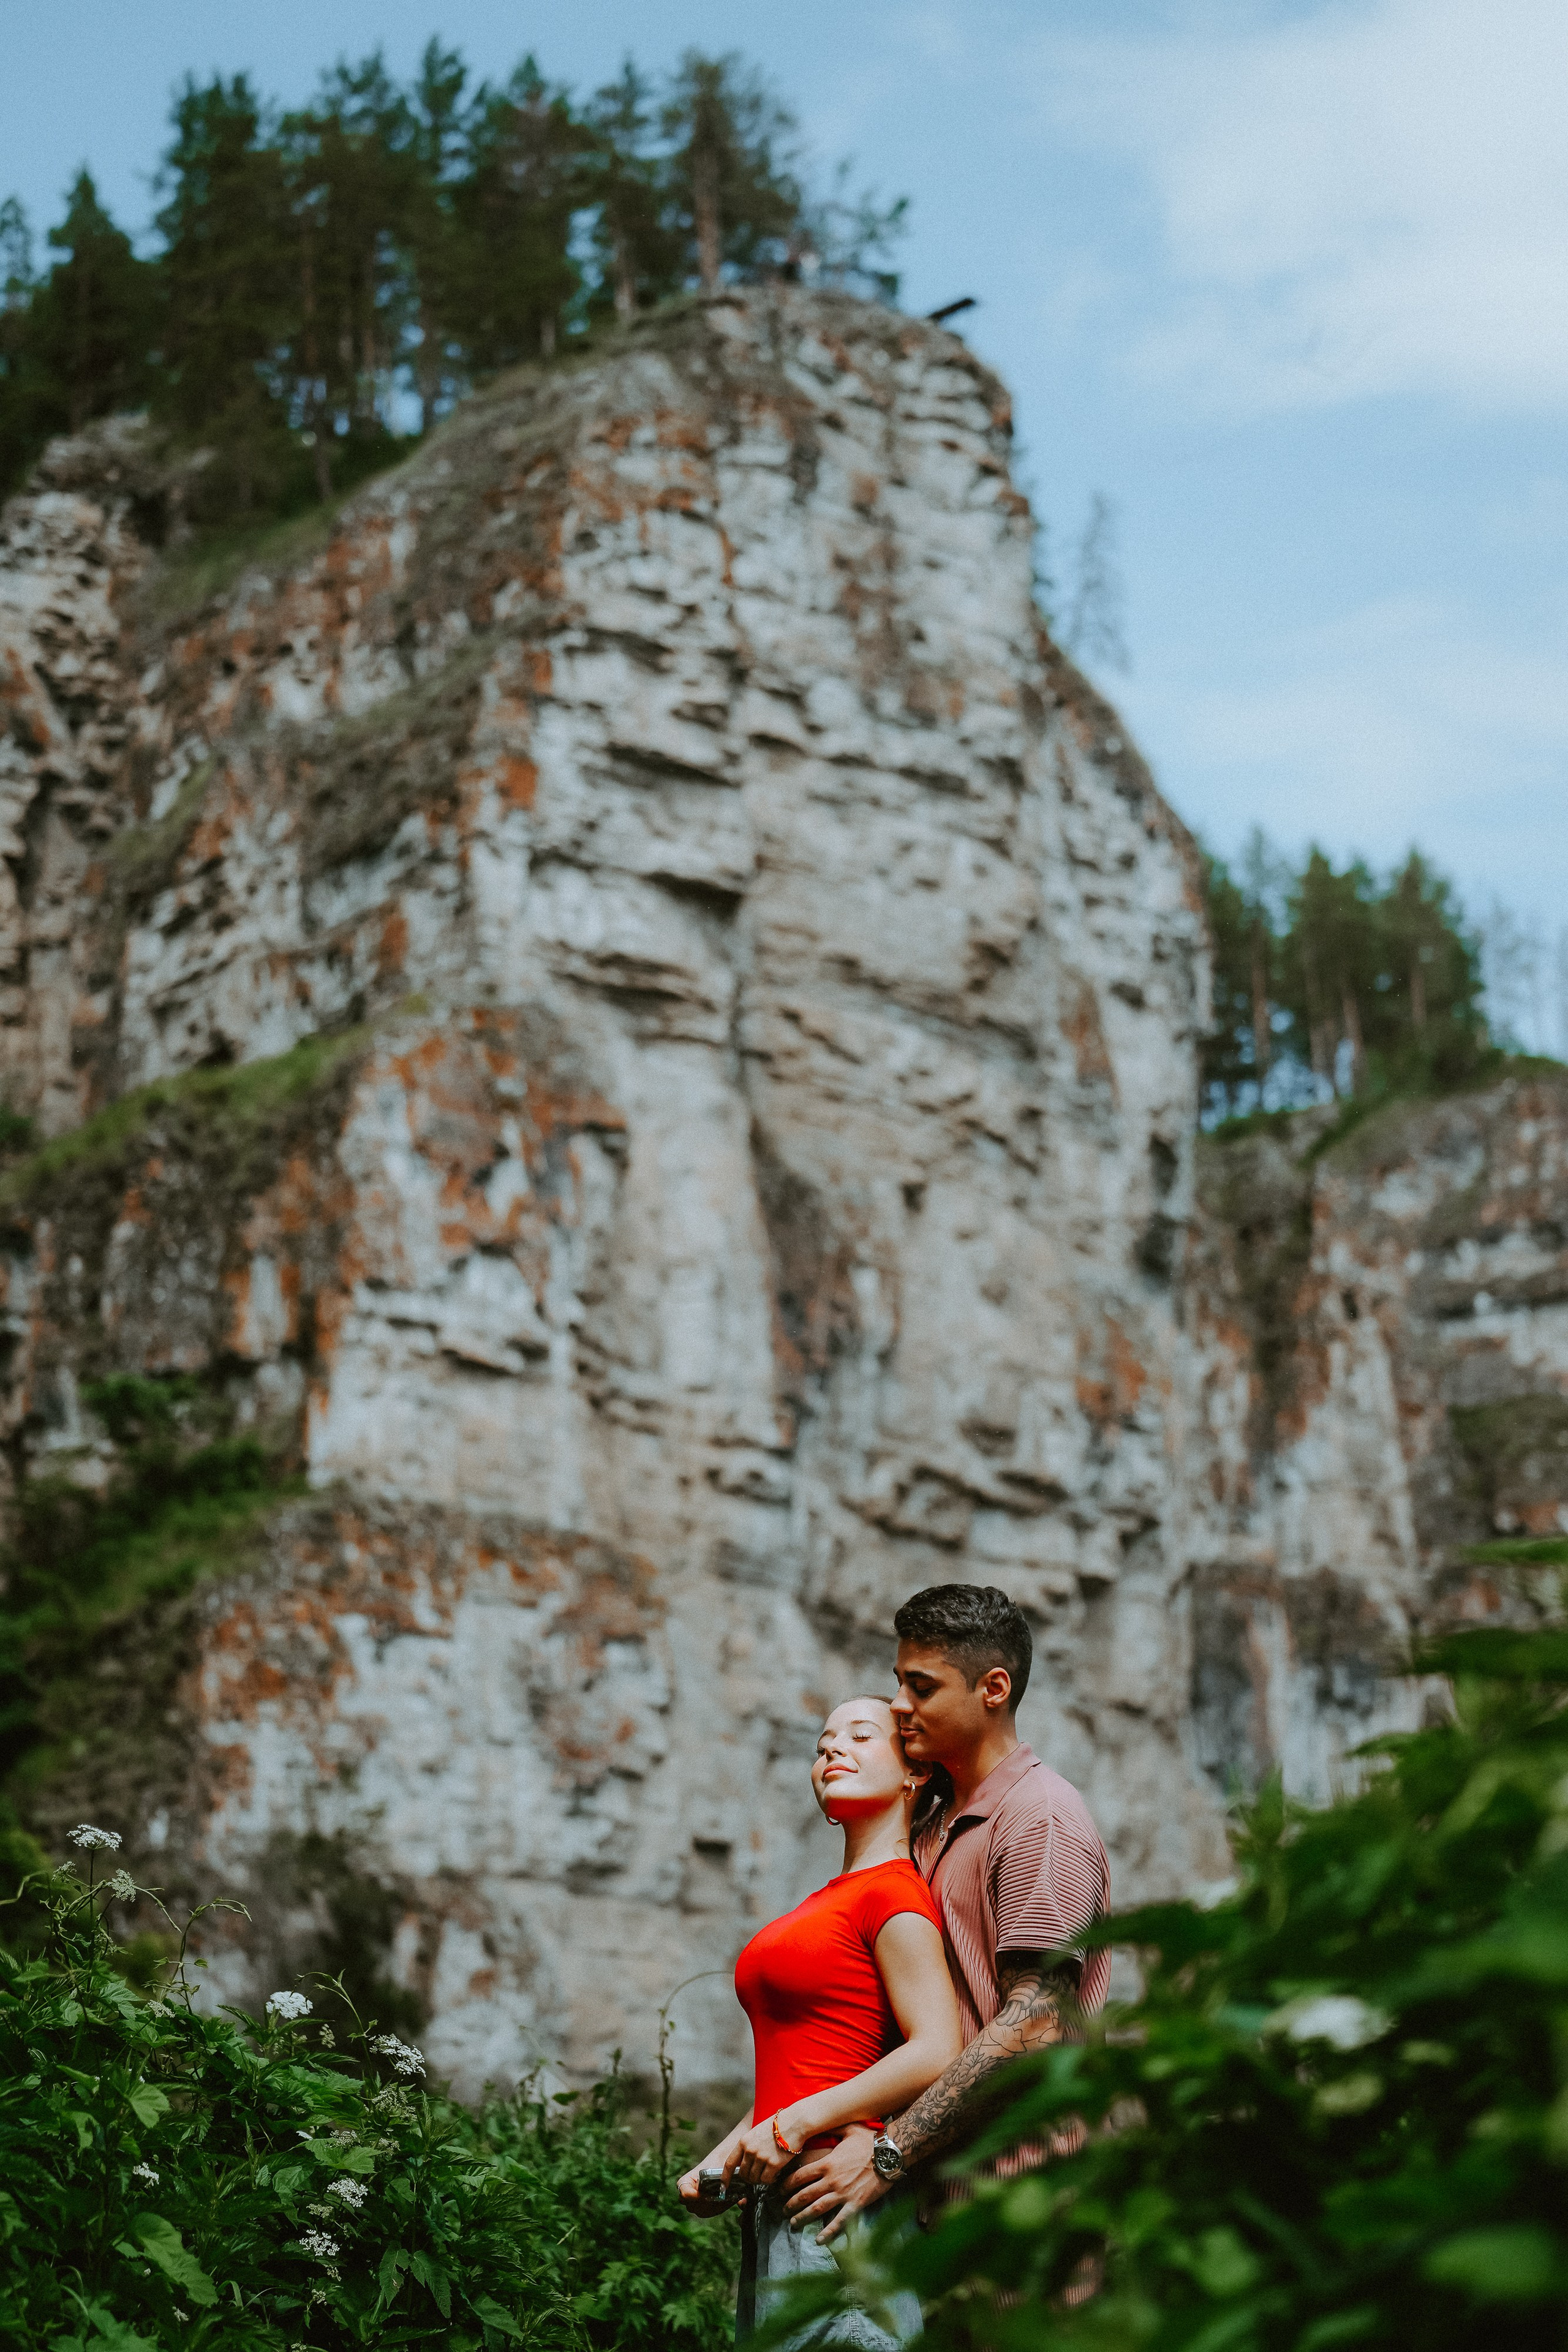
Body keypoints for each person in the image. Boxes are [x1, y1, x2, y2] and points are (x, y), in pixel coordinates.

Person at [783, 1584, 1110, 2241]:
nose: (900, 1705)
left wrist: (889, 2152)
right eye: (898, 1683)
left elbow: (1039, 2020)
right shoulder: (929, 1824)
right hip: (929, 2202)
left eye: (922, 1688)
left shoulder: (1038, 1816)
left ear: (992, 1689)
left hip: (1022, 2203)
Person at [678, 1695, 962, 2346]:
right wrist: (720, 2162)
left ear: (914, 1773)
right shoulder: (828, 1900)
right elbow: (805, 2071)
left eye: (861, 1736)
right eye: (823, 1742)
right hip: (786, 2200)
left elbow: (937, 2049)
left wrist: (794, 2126)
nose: (832, 1749)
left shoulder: (894, 1893)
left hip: (838, 2199)